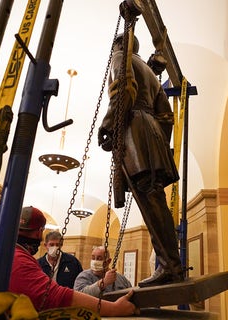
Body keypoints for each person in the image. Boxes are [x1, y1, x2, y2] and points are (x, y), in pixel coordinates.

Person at [97, 32, 184, 287]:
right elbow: (167, 116)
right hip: (152, 135)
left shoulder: (119, 57)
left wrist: (108, 124)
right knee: (155, 202)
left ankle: (170, 267)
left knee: (150, 202)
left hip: (134, 134)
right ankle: (171, 265)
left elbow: (123, 90)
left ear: (119, 44)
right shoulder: (149, 71)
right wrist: (158, 141)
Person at [0, 206, 137, 317]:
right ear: (40, 234)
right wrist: (114, 309)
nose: (95, 261)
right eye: (93, 257)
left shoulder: (8, 255)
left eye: (100, 258)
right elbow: (56, 296)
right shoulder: (18, 260)